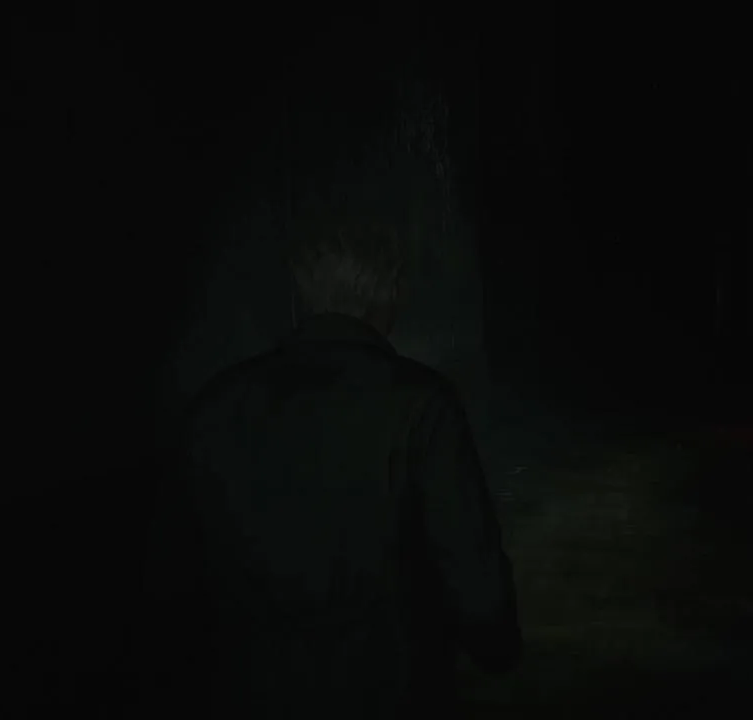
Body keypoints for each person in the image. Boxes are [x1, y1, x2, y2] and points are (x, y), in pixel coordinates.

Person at [141, 186, 521, 718]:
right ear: (391, 294)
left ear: (303, 292)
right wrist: (498, 648)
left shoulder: (216, 406)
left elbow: (170, 590)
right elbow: (477, 591)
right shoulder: (422, 406)